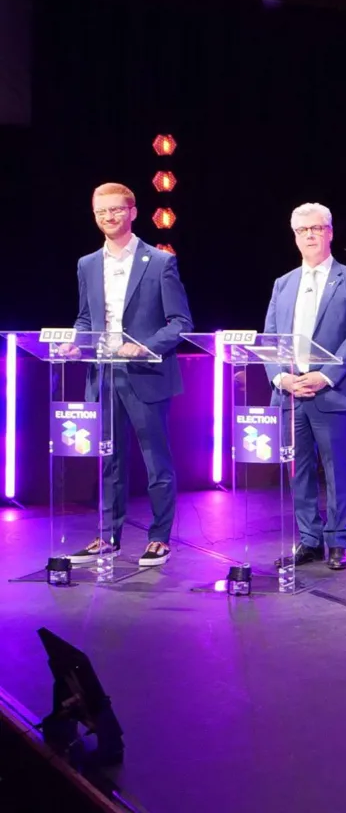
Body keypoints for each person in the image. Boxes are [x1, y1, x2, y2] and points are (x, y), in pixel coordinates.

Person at [65, 183, 192, 568]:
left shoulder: (159, 262)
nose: (108, 217)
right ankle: (107, 536)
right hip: (103, 375)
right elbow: (86, 317)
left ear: (133, 212)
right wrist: (75, 342)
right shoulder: (87, 264)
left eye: (116, 210)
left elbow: (181, 322)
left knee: (156, 459)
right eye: (101, 212)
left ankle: (159, 537)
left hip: (145, 374)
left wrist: (145, 345)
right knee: (109, 459)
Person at [265, 203, 346, 571]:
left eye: (317, 229)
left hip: (331, 392)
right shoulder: (283, 283)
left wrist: (324, 375)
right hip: (290, 393)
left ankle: (337, 541)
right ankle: (308, 539)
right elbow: (269, 340)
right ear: (295, 237)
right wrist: (281, 377)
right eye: (302, 231)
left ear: (330, 232)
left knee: (336, 468)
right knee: (299, 469)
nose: (310, 235)